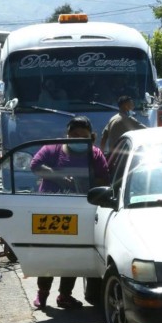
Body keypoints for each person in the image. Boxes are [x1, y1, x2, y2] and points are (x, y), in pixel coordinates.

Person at [30, 116, 109, 309]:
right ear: (67, 135)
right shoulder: (51, 149)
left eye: (83, 135)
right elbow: (35, 166)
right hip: (50, 211)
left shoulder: (96, 155)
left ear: (92, 137)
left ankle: (65, 295)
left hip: (81, 211)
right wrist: (59, 177)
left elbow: (104, 179)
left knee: (72, 254)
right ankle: (42, 293)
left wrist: (84, 183)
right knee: (49, 254)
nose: (78, 138)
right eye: (74, 135)